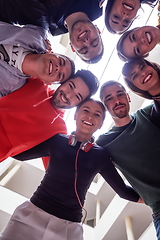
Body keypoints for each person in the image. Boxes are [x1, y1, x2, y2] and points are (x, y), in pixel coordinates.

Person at [0, 98, 141, 240]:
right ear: (75, 115)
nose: (90, 116)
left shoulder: (101, 155)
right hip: (31, 215)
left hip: (68, 227)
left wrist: (154, 199)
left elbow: (124, 191)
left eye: (97, 114)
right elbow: (20, 155)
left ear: (101, 124)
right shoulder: (57, 140)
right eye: (85, 110)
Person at [96, 80, 160, 239]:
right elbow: (122, 191)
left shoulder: (148, 114)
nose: (116, 100)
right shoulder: (103, 143)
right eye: (109, 98)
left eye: (120, 94)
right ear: (105, 107)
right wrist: (151, 199)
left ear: (128, 97)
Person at [0, 69, 99, 169]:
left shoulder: (59, 131)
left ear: (78, 105)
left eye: (77, 97)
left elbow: (54, 169)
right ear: (64, 81)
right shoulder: (36, 82)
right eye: (71, 86)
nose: (68, 95)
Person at [0, 0, 104, 63]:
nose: (86, 41)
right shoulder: (95, 2)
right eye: (94, 42)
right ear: (98, 30)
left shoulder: (41, 24)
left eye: (83, 49)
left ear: (72, 47)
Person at [0, 21, 75, 97]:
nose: (58, 68)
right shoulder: (37, 35)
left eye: (60, 75)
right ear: (52, 52)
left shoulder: (13, 87)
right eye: (61, 62)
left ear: (48, 82)